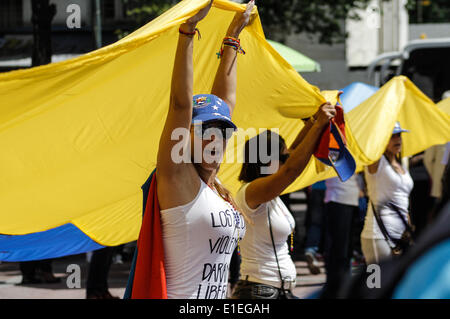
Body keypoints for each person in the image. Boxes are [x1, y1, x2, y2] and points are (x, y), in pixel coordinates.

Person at [153, 1, 254, 299]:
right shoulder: (177, 178)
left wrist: (233, 35)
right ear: (187, 138)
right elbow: (181, 106)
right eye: (205, 132)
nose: (215, 139)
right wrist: (187, 32)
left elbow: (226, 103)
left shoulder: (216, 187)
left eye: (222, 132)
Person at [231, 102, 336, 299]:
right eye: (282, 157)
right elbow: (291, 169)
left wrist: (313, 122)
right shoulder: (252, 191)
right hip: (258, 293)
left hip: (276, 292)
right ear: (267, 159)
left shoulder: (269, 193)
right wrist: (319, 124)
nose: (287, 160)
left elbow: (293, 154)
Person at [360, 122, 414, 264]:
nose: (397, 140)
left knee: (394, 285)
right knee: (376, 284)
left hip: (400, 238)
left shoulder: (401, 163)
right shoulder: (376, 162)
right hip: (377, 236)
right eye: (392, 136)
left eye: (399, 135)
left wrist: (408, 229)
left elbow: (402, 200)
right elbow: (369, 142)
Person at [321, 175, 360, 298]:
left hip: (354, 198)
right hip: (338, 198)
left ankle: (343, 285)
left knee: (347, 250)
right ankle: (334, 286)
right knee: (339, 249)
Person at [304, 181, 326, 275]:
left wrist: (310, 184)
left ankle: (311, 250)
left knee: (315, 224)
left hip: (316, 186)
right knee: (330, 225)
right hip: (333, 190)